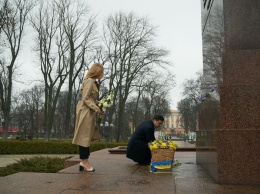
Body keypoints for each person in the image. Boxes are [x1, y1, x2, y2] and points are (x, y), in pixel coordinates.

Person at [72, 63, 104, 172]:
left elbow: (89, 98)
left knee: (86, 136)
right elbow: (85, 98)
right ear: (97, 72)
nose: (102, 75)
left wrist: (99, 103)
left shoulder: (92, 81)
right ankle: (84, 161)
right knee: (84, 136)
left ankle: (84, 161)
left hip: (87, 110)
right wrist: (96, 108)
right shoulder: (90, 81)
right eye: (101, 72)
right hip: (85, 111)